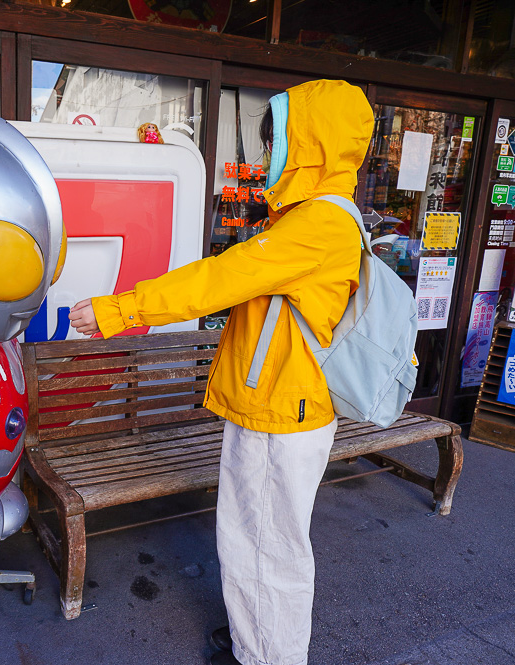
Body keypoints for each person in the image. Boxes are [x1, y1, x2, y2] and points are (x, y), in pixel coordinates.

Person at [69, 79, 374, 665]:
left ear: (308, 146)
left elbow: (218, 279)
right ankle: (254, 643)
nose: (265, 159)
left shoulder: (317, 227)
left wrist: (118, 310)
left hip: (281, 414)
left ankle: (265, 658)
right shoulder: (325, 217)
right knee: (261, 541)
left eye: (275, 143)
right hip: (285, 404)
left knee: (267, 546)